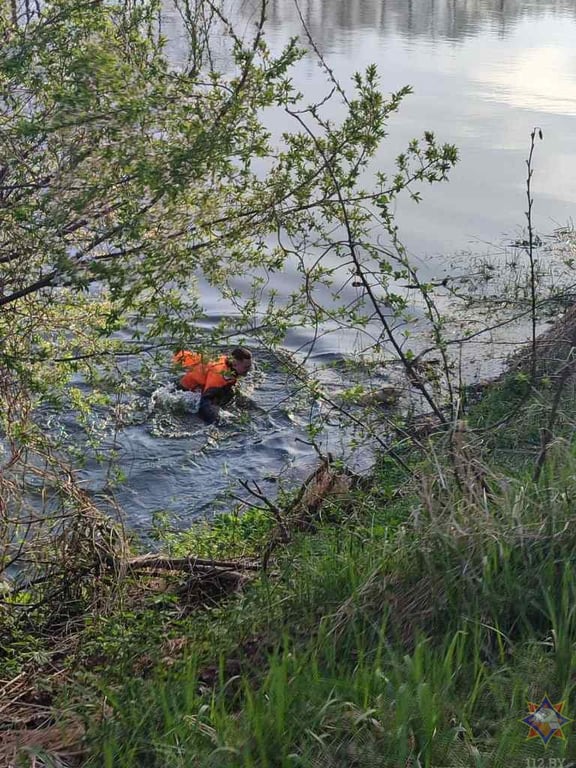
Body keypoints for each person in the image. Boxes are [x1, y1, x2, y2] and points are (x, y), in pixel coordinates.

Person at [172, 347, 252, 424]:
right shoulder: (218, 377)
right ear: (234, 364)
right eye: (246, 367)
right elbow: (205, 402)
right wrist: (217, 422)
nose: (248, 370)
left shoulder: (226, 361)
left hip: (202, 382)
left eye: (249, 366)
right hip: (186, 390)